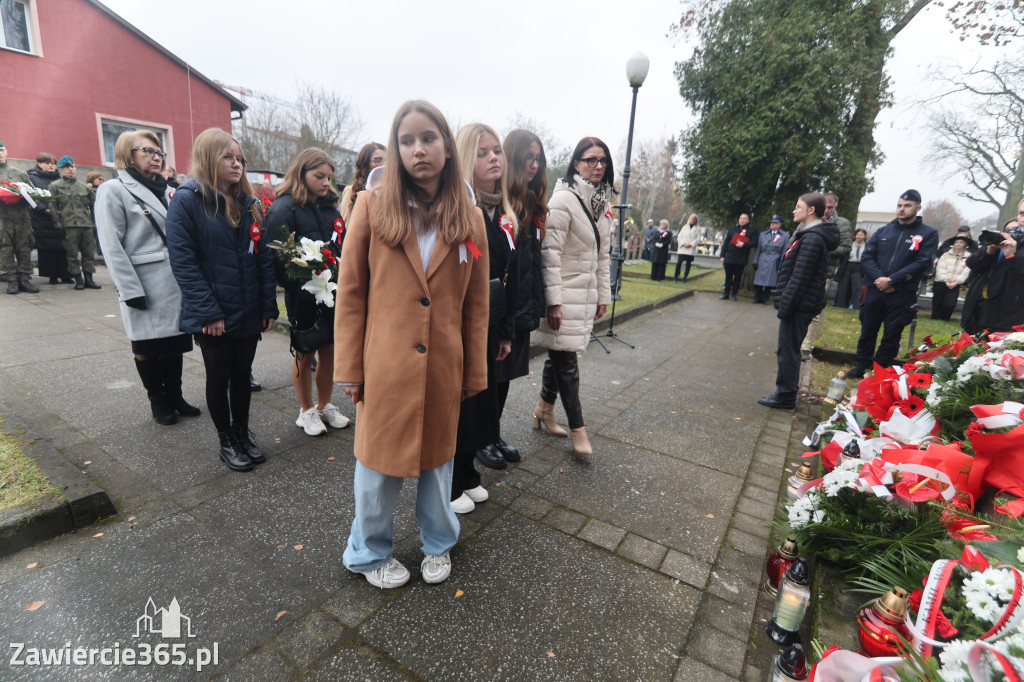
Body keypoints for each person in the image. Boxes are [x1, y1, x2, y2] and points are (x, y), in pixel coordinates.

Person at [334, 100, 489, 588]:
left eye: (428, 138)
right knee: (377, 469)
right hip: (384, 367)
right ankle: (366, 551)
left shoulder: (470, 217)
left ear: (447, 146)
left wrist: (473, 372)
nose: (418, 149)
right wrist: (349, 369)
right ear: (396, 150)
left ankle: (439, 542)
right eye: (406, 141)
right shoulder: (372, 206)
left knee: (438, 466)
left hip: (444, 364)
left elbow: (477, 306)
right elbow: (351, 293)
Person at [167, 128, 278, 472]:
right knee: (219, 377)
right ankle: (226, 440)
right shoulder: (188, 200)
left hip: (247, 309)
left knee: (242, 376)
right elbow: (183, 263)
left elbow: (262, 259)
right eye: (228, 157)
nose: (237, 164)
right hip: (214, 313)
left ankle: (242, 434)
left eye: (240, 159)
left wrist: (267, 306)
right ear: (208, 157)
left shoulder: (248, 203)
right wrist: (208, 313)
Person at [95, 129, 201, 426]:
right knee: (146, 346)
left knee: (175, 342)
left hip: (175, 281)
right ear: (128, 155)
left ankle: (176, 395)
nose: (157, 157)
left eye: (160, 153)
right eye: (149, 151)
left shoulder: (169, 190)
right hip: (143, 281)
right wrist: (129, 290)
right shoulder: (113, 189)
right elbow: (111, 244)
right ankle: (157, 399)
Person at [448, 123, 521, 513]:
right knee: (465, 402)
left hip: (492, 322)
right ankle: (453, 480)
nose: (495, 157)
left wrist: (506, 331)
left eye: (497, 150)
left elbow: (509, 276)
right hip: (464, 322)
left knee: (485, 399)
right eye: (482, 152)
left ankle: (469, 472)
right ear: (465, 160)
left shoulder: (501, 211)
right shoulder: (462, 209)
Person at [533, 136, 613, 457]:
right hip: (563, 295)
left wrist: (602, 295)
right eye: (590, 160)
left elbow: (603, 257)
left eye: (602, 160)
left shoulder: (601, 205)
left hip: (585, 295)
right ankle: (579, 430)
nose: (597, 166)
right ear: (576, 163)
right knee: (567, 362)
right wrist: (553, 300)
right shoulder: (563, 200)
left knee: (561, 354)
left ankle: (543, 409)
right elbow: (548, 253)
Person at [267, 148, 351, 437]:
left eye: (329, 177)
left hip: (332, 291)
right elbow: (277, 258)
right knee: (305, 351)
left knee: (329, 350)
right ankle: (306, 410)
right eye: (319, 176)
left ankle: (326, 403)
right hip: (302, 295)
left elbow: (342, 244)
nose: (326, 183)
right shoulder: (284, 208)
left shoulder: (330, 207)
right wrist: (302, 281)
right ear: (301, 173)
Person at [759, 193, 839, 409]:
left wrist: (785, 305)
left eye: (798, 206)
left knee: (788, 350)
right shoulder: (809, 234)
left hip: (798, 304)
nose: (794, 210)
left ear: (811, 210)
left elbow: (800, 276)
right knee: (787, 349)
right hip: (798, 303)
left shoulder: (812, 238)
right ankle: (785, 392)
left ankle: (785, 396)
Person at [848, 190, 938, 378]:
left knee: (892, 333)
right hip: (875, 289)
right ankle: (862, 364)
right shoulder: (883, 231)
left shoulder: (928, 234)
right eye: (899, 205)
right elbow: (867, 257)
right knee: (867, 330)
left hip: (901, 292)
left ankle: (880, 370)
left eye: (907, 206)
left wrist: (891, 280)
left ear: (918, 207)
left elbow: (922, 262)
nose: (902, 209)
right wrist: (880, 280)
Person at [503, 128, 549, 429]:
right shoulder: (503, 201)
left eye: (538, 159)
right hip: (504, 304)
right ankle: (483, 440)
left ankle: (492, 435)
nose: (534, 165)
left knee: (506, 375)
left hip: (523, 303)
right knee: (492, 376)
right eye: (528, 158)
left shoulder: (532, 202)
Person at [799, 191, 852, 359]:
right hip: (802, 269)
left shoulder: (842, 224)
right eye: (825, 206)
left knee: (814, 311)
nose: (827, 210)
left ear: (835, 206)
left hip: (824, 272)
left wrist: (820, 247)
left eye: (830, 207)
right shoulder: (809, 219)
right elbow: (794, 239)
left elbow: (846, 247)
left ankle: (806, 346)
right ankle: (795, 341)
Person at [961, 207, 1024, 334]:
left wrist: (1012, 256)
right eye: (1022, 213)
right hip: (980, 308)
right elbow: (972, 264)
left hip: (1010, 318)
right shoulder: (1008, 240)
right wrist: (989, 250)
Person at [49, 156, 101, 290]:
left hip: (86, 225)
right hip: (68, 226)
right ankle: (78, 279)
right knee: (72, 255)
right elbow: (53, 207)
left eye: (72, 167)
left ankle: (89, 279)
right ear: (61, 169)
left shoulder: (85, 188)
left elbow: (94, 206)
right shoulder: (55, 186)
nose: (71, 169)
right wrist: (57, 225)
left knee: (88, 253)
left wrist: (95, 224)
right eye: (67, 167)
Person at [0, 141, 40, 294]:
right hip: (2, 220)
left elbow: (33, 194)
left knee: (24, 249)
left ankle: (24, 279)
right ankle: (11, 280)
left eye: (2, 150)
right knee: (5, 250)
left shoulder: (20, 174)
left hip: (22, 219)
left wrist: (24, 196)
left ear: (6, 152)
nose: (0, 153)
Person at [28, 152, 72, 284]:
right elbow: (31, 197)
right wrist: (45, 209)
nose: (51, 166)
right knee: (48, 248)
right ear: (39, 164)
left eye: (53, 163)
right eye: (48, 163)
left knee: (63, 247)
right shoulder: (31, 178)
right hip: (42, 218)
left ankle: (65, 274)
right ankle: (52, 275)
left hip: (60, 218)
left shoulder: (60, 177)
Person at [340, 143, 386, 225]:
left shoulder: (390, 194)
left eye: (387, 161)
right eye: (378, 161)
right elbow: (345, 227)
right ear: (365, 163)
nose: (383, 165)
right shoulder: (351, 191)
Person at [930, 234, 971, 321]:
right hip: (941, 281)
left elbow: (966, 270)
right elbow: (940, 267)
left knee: (950, 303)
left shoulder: (968, 256)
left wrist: (957, 281)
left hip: (955, 283)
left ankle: (945, 318)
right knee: (938, 300)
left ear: (965, 244)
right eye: (956, 242)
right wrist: (946, 280)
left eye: (961, 242)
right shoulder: (946, 254)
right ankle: (935, 317)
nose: (958, 244)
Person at [751, 215, 789, 304]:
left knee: (770, 280)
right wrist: (755, 260)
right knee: (758, 280)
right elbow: (758, 249)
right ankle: (757, 297)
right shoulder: (763, 234)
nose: (772, 224)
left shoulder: (784, 236)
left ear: (779, 224)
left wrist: (781, 263)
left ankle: (765, 298)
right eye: (771, 222)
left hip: (774, 259)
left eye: (774, 223)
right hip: (762, 258)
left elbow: (784, 251)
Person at [719, 213, 756, 300]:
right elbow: (726, 243)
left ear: (748, 220)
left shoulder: (751, 231)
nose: (742, 220)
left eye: (744, 219)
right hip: (729, 257)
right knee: (728, 276)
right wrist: (722, 255)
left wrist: (744, 244)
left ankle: (734, 294)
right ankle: (726, 293)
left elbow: (754, 242)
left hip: (741, 258)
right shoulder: (732, 229)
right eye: (741, 218)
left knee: (737, 277)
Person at [835, 228, 867, 309]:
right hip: (848, 265)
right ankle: (840, 305)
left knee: (857, 287)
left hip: (859, 267)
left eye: (861, 235)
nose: (859, 236)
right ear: (855, 235)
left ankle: (855, 306)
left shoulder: (867, 246)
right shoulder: (850, 244)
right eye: (857, 234)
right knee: (843, 286)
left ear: (865, 236)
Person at [674, 213, 699, 283]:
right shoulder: (684, 227)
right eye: (691, 219)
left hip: (690, 249)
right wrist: (683, 244)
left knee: (688, 264)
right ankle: (676, 277)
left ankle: (685, 277)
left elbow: (697, 239)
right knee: (679, 263)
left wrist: (691, 244)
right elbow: (679, 236)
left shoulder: (697, 228)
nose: (692, 220)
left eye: (694, 219)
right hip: (683, 248)